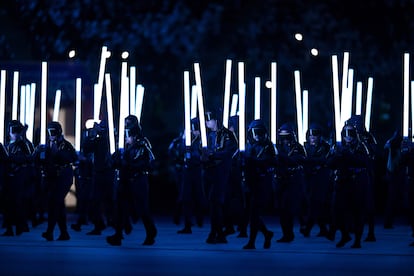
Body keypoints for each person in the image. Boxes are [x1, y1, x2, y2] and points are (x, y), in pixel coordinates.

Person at [106, 115, 157, 246]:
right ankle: (118, 235)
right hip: (125, 180)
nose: (126, 137)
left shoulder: (142, 144)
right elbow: (113, 160)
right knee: (121, 208)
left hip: (138, 180)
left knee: (142, 209)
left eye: (128, 135)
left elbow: (148, 162)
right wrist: (114, 161)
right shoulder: (124, 146)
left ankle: (151, 232)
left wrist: (127, 164)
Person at [326, 123, 371, 248]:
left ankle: (357, 240)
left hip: (357, 183)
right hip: (342, 183)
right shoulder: (337, 147)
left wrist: (349, 156)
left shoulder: (361, 147)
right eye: (345, 135)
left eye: (350, 134)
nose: (348, 138)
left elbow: (365, 162)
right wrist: (338, 156)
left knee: (357, 212)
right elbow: (328, 163)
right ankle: (345, 235)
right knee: (337, 211)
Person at [34, 121, 78, 241]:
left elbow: (73, 158)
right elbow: (37, 160)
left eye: (53, 132)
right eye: (49, 132)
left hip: (64, 177)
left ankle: (50, 231)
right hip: (51, 178)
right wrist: (38, 152)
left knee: (55, 202)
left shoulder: (66, 145)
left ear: (58, 132)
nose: (51, 135)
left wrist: (57, 154)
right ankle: (64, 233)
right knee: (57, 204)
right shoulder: (46, 145)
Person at [202, 110, 238, 244]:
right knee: (212, 204)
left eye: (208, 120)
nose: (206, 123)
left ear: (215, 120)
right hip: (209, 172)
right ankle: (219, 232)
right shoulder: (208, 136)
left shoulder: (227, 134)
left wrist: (213, 155)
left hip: (221, 173)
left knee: (215, 202)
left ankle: (216, 232)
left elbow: (229, 151)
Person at [242, 119, 275, 249]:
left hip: (262, 183)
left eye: (259, 132)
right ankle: (266, 234)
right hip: (250, 182)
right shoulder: (250, 145)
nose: (257, 135)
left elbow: (269, 161)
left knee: (254, 213)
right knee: (251, 213)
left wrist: (251, 160)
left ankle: (252, 242)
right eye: (254, 132)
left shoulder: (268, 146)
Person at [274, 123, 306, 243]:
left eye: (287, 136)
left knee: (290, 208)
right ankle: (285, 233)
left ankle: (290, 233)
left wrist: (280, 156)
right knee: (281, 209)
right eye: (282, 137)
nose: (285, 139)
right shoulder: (277, 148)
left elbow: (296, 161)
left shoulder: (297, 147)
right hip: (280, 180)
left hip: (293, 180)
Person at [82, 121, 115, 235]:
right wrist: (91, 135)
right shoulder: (97, 140)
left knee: (111, 200)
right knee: (94, 200)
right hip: (99, 173)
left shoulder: (113, 140)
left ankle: (117, 224)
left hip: (111, 173)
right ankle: (99, 224)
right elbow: (86, 149)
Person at [2, 120, 33, 236]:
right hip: (8, 177)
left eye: (17, 131)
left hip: (19, 177)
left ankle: (19, 226)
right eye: (12, 131)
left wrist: (13, 159)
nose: (14, 133)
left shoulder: (24, 144)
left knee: (17, 203)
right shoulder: (6, 145)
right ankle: (10, 228)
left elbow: (29, 158)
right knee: (8, 203)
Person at [176, 117, 206, 234]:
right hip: (188, 170)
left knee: (199, 196)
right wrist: (184, 138)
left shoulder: (202, 140)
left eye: (195, 130)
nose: (194, 132)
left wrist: (192, 154)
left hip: (198, 170)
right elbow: (180, 150)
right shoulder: (188, 139)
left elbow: (202, 154)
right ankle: (187, 224)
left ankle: (200, 218)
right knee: (185, 197)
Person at [301, 123, 331, 238]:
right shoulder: (305, 147)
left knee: (316, 203)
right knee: (313, 203)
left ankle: (308, 228)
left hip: (321, 178)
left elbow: (324, 160)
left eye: (315, 135)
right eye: (311, 135)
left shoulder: (325, 147)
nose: (312, 137)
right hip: (308, 178)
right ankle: (323, 228)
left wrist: (310, 161)